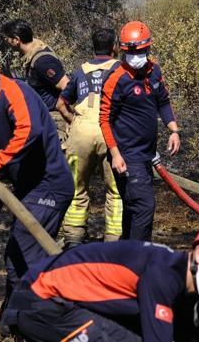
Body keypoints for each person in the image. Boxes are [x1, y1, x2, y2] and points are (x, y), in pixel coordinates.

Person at [0, 43, 74, 328]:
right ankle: (15, 322)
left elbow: (28, 132)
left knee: (23, 253)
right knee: (24, 255)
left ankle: (24, 324)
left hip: (50, 186)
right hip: (29, 188)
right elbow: (6, 155)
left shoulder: (15, 90)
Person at [6, 217, 199, 342]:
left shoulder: (189, 289)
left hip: (60, 305)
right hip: (39, 305)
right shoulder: (163, 275)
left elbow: (188, 336)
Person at [99, 21, 180, 241]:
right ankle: (138, 258)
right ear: (123, 51)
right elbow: (105, 120)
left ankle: (126, 256)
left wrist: (173, 130)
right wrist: (115, 154)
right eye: (132, 52)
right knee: (144, 206)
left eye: (142, 51)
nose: (137, 55)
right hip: (126, 155)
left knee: (132, 207)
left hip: (146, 154)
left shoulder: (154, 71)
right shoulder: (116, 79)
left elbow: (163, 101)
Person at [56, 28, 123, 247]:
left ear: (93, 47)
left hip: (81, 131)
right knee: (116, 191)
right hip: (110, 132)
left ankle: (73, 240)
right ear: (115, 47)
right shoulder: (120, 69)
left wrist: (71, 122)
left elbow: (61, 104)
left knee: (76, 187)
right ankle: (113, 242)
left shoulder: (80, 71)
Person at [1, 19, 69, 142]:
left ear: (16, 40)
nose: (7, 43)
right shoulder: (32, 55)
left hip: (56, 123)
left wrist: (65, 112)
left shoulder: (42, 61)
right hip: (46, 120)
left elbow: (67, 86)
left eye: (8, 39)